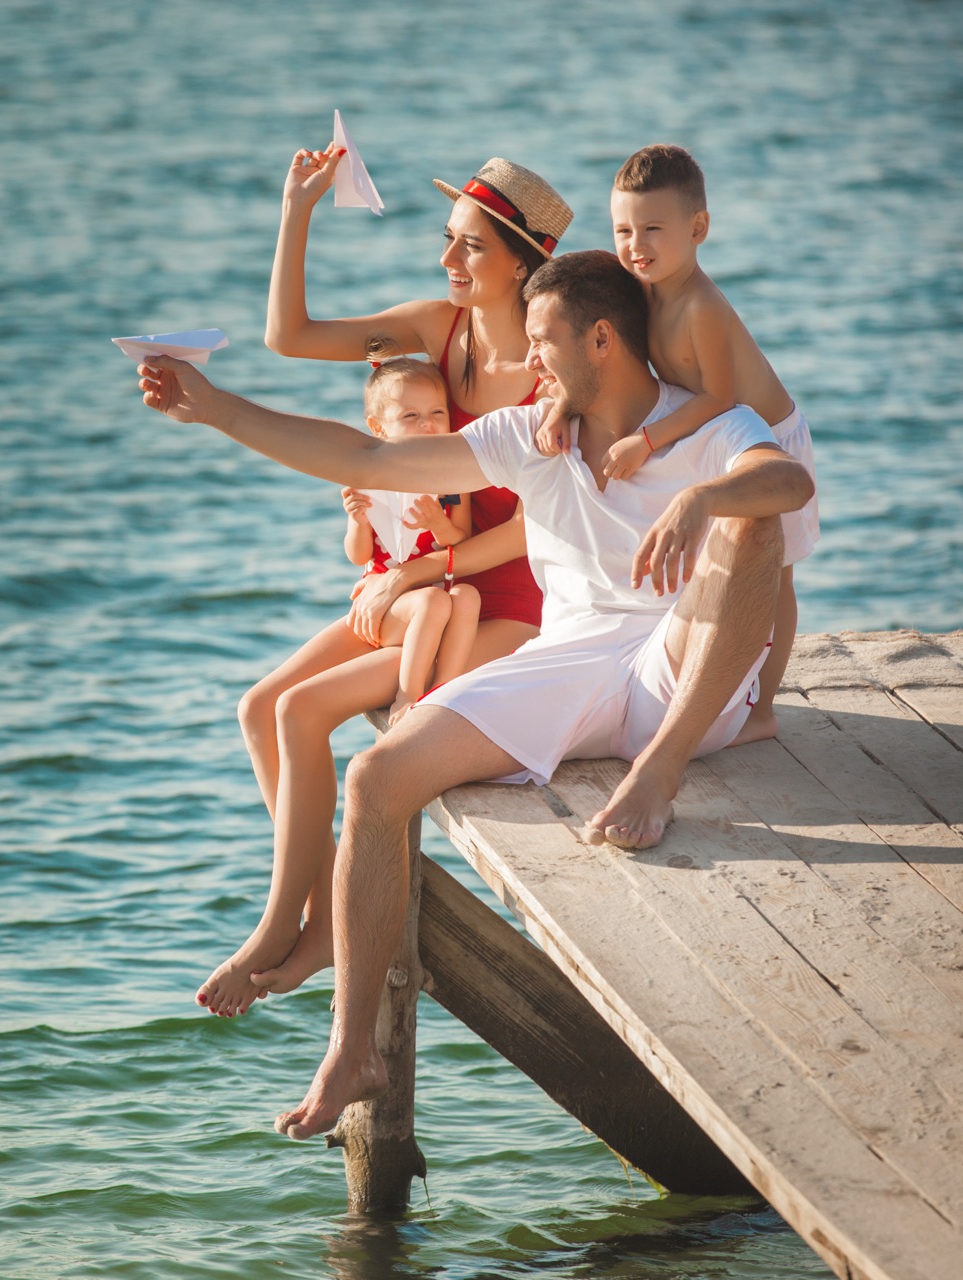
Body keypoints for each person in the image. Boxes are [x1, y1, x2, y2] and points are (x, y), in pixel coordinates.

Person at [135, 250, 814, 1137]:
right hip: (567, 660)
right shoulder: (529, 434)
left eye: (543, 341)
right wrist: (215, 408)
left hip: (677, 664)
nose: (527, 360)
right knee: (376, 779)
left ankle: (659, 771)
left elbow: (790, 481)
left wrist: (701, 501)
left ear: (601, 340)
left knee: (752, 529)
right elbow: (366, 455)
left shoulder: (705, 426)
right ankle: (352, 1050)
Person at [197, 150, 573, 1018]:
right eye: (448, 239)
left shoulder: (551, 370)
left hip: (506, 608)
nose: (448, 261)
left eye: (470, 245)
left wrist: (418, 568)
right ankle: (323, 914)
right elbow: (292, 338)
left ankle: (282, 928)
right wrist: (296, 210)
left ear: (521, 261)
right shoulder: (439, 330)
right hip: (417, 592)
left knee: (302, 711)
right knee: (260, 706)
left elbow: (533, 528)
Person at [534, 144, 818, 742]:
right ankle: (718, 684)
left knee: (776, 577)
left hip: (763, 437)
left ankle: (762, 709)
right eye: (623, 230)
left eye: (653, 230)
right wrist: (563, 404)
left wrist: (644, 441)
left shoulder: (700, 306)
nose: (636, 245)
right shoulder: (642, 287)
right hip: (703, 431)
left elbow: (719, 397)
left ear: (698, 229)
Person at [340, 359, 483, 724]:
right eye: (410, 416)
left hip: (433, 594)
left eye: (437, 412)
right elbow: (359, 556)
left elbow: (461, 540)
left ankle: (444, 689)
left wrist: (438, 524)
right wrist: (357, 523)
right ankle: (409, 693)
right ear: (378, 427)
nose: (427, 424)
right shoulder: (370, 480)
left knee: (468, 596)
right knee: (433, 602)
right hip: (386, 606)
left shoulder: (453, 479)